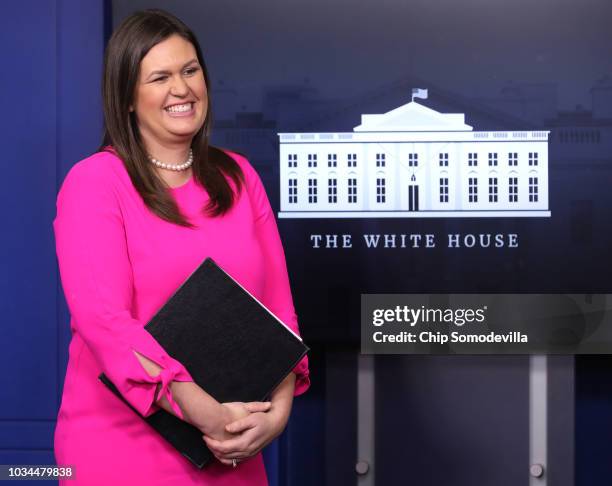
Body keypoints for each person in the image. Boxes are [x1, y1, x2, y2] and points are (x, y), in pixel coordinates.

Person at [52, 9, 309, 485]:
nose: (182, 89)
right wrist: (206, 414)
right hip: (120, 450)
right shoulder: (95, 183)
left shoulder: (239, 175)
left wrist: (275, 416)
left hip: (233, 448)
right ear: (127, 96)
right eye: (160, 77)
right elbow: (104, 321)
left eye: (190, 71)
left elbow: (278, 314)